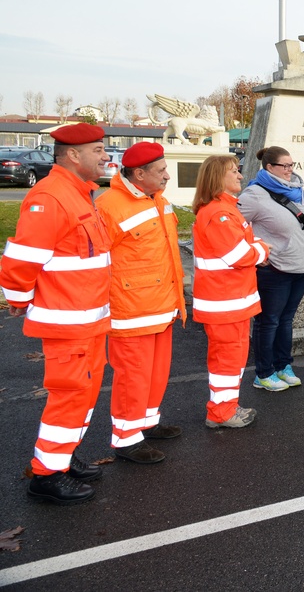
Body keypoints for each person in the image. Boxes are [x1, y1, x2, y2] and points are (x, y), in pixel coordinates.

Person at [0, 124, 111, 505]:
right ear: (73, 155)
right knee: (69, 395)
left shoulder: (80, 193)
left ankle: (62, 457)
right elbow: (21, 261)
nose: (105, 156)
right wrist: (17, 298)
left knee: (84, 394)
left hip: (89, 320)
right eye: (98, 150)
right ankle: (46, 474)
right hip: (68, 322)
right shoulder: (50, 196)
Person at [95, 142, 186, 465]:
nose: (166, 176)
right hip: (130, 310)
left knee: (156, 373)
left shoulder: (158, 201)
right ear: (139, 174)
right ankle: (126, 438)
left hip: (161, 305)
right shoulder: (109, 206)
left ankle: (146, 422)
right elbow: (97, 260)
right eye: (160, 171)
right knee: (133, 376)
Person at [192, 155, 269, 428]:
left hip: (231, 301)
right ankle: (221, 413)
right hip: (225, 303)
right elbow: (241, 253)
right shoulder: (219, 213)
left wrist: (256, 249)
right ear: (217, 177)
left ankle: (225, 408)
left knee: (232, 360)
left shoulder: (226, 210)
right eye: (233, 171)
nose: (239, 175)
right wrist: (261, 251)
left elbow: (250, 243)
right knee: (227, 361)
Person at [239, 146, 304, 392]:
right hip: (275, 270)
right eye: (285, 166)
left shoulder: (296, 190)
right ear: (269, 167)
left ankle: (283, 365)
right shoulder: (254, 194)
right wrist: (253, 251)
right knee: (268, 321)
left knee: (286, 319)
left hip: (302, 267)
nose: (290, 170)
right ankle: (263, 373)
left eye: (292, 165)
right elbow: (231, 227)